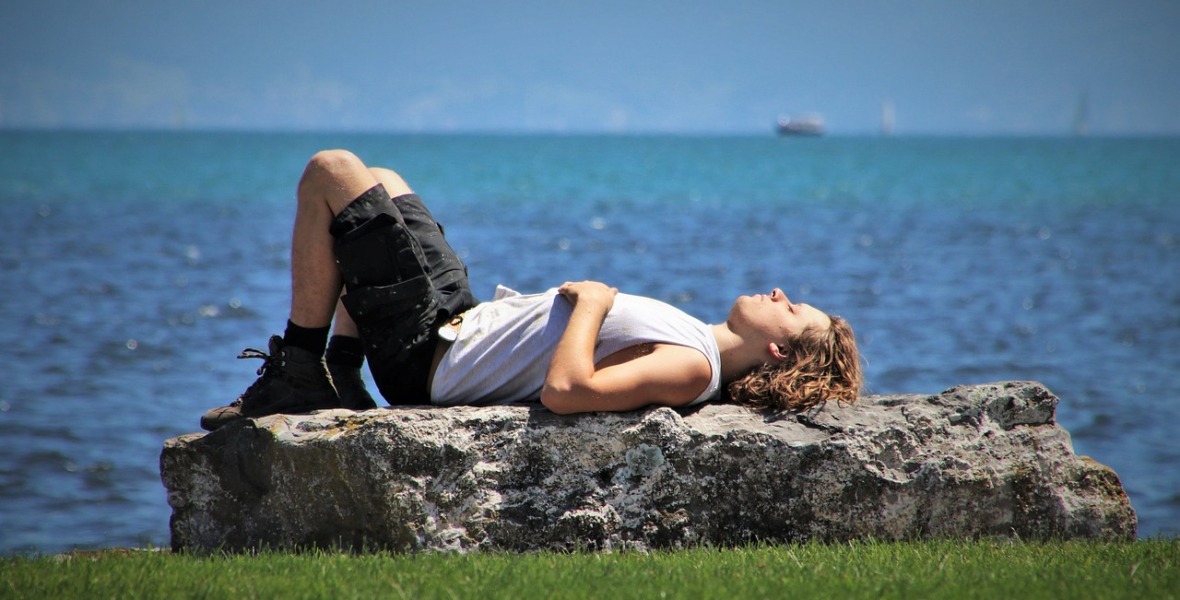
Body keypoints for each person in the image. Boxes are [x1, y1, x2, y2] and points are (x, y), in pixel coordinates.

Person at [200, 150, 862, 430]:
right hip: (459, 321)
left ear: (779, 353)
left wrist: (592, 306)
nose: (780, 293)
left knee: (332, 171)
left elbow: (567, 392)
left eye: (793, 309)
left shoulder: (696, 369)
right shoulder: (699, 344)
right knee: (383, 179)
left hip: (428, 361)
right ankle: (342, 374)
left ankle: (299, 372)